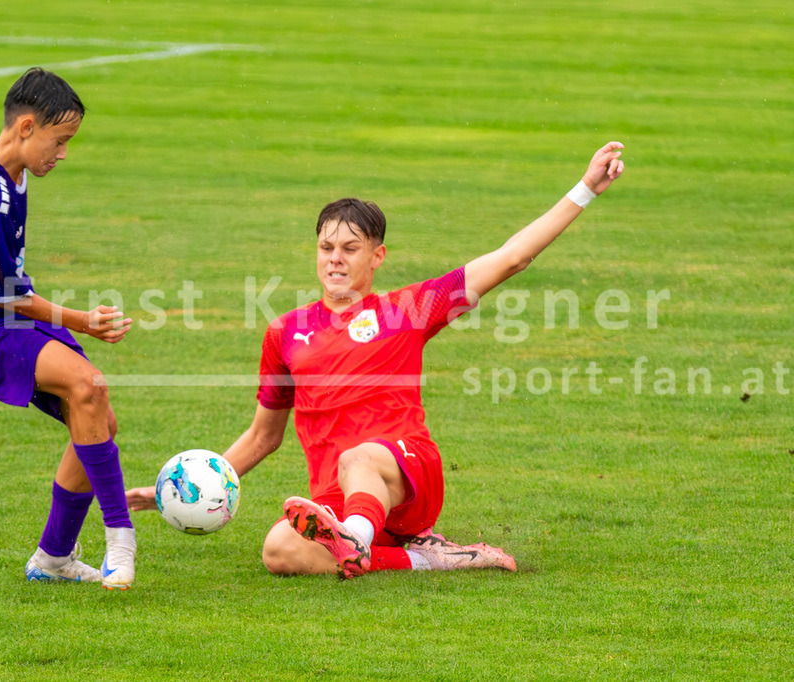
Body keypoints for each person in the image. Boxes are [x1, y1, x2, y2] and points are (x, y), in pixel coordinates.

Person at [128, 142, 625, 578]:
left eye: (350, 248)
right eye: (326, 248)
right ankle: (422, 558)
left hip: (407, 477)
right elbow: (264, 436)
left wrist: (584, 189)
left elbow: (511, 257)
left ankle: (360, 538)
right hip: (338, 499)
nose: (335, 259)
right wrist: (190, 486)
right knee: (278, 551)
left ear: (377, 256)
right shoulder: (284, 332)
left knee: (358, 455)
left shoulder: (408, 310)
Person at [0, 68, 137, 590]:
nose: (62, 154)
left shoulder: (0, 168)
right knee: (89, 387)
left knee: (97, 419)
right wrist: (85, 322)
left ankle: (53, 559)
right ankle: (121, 537)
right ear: (24, 127)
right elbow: (12, 295)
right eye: (59, 142)